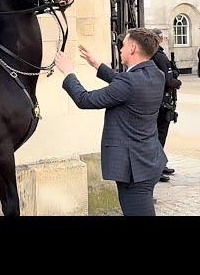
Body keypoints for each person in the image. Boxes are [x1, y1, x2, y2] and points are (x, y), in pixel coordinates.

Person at [54, 28, 167, 216]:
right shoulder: (155, 74)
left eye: (122, 46)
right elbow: (125, 84)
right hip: (148, 161)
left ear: (132, 48)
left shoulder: (130, 83)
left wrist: (69, 73)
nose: (120, 50)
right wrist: (97, 65)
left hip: (134, 170)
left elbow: (85, 100)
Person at [150, 28, 182, 182]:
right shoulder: (159, 56)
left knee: (158, 135)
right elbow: (169, 79)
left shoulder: (152, 55)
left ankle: (160, 165)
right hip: (163, 100)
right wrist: (177, 82)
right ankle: (156, 168)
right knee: (159, 135)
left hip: (157, 100)